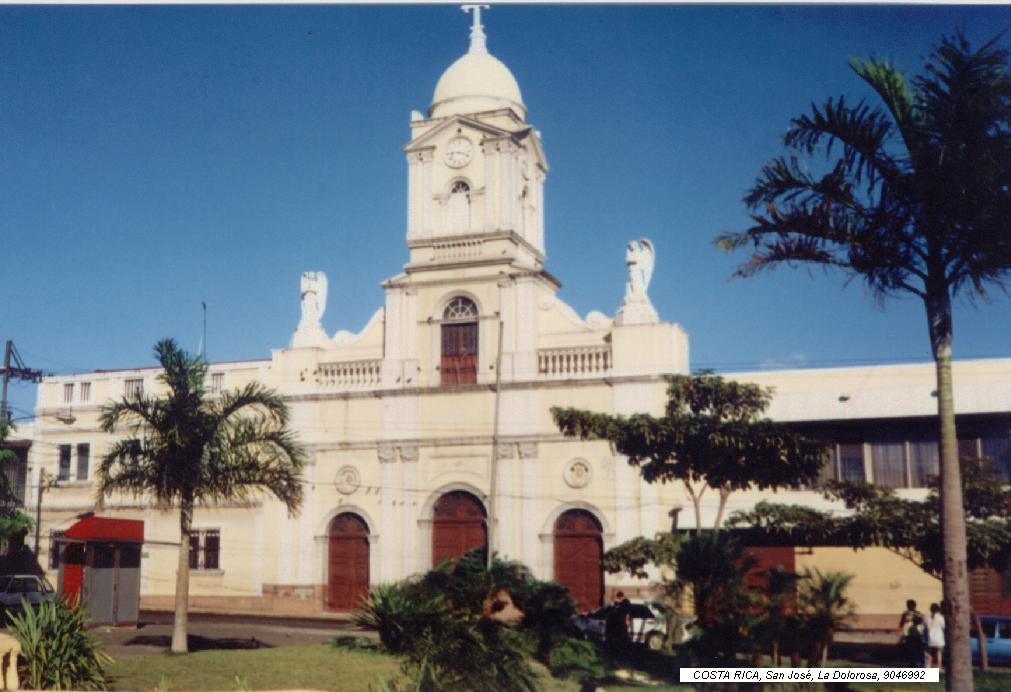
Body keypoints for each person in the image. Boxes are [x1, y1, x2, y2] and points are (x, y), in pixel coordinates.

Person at [898, 599, 926, 667]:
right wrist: (900, 631)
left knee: (916, 649)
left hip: (916, 634)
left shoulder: (917, 613)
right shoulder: (905, 613)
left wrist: (915, 619)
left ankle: (916, 662)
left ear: (914, 606)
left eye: (910, 605)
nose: (908, 606)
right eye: (908, 605)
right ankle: (912, 663)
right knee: (909, 649)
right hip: (908, 634)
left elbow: (921, 622)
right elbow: (902, 622)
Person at [926, 602, 945, 669]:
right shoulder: (940, 617)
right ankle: (939, 666)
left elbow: (926, 626)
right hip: (939, 637)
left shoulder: (927, 617)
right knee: (939, 653)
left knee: (930, 654)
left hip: (931, 637)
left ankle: (928, 666)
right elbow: (944, 626)